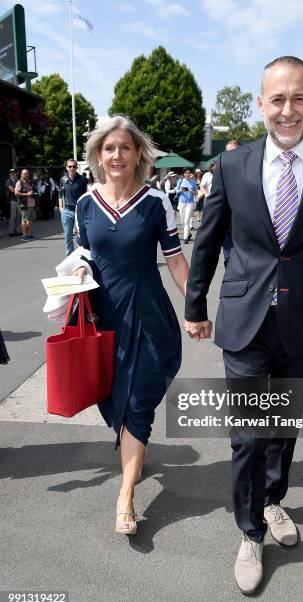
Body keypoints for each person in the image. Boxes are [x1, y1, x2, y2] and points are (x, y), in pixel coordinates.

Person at [184, 56, 303, 594]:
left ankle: (273, 501)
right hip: (244, 318)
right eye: (278, 99)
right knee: (248, 432)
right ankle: (250, 532)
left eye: (298, 99)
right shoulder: (231, 166)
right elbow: (207, 241)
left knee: (283, 426)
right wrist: (194, 305)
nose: (287, 110)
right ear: (261, 105)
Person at [72, 115, 189, 536]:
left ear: (138, 153)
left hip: (148, 312)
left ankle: (125, 497)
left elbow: (175, 258)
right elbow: (82, 254)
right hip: (103, 316)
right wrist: (78, 273)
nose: (117, 155)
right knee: (112, 398)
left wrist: (195, 306)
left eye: (125, 147)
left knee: (138, 401)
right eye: (108, 148)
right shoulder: (85, 204)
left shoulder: (157, 201)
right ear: (98, 156)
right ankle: (132, 451)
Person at [59, 159, 88, 255]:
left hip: (78, 211)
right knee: (68, 236)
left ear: (77, 167)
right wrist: (61, 209)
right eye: (70, 166)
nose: (72, 168)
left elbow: (86, 196)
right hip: (66, 210)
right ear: (66, 167)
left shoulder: (82, 180)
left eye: (74, 166)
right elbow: (60, 195)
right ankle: (70, 256)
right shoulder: (63, 179)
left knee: (81, 235)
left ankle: (81, 255)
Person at [223, 141, 241, 266]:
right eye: (228, 152)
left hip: (248, 226)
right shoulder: (221, 172)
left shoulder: (254, 170)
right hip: (227, 225)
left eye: (234, 151)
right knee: (229, 259)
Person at [176, 168, 198, 243]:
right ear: (183, 174)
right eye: (186, 173)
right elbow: (176, 191)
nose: (187, 174)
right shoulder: (180, 181)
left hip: (190, 202)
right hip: (181, 202)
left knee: (187, 220)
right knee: (182, 220)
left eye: (189, 173)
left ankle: (185, 238)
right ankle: (188, 234)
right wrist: (181, 190)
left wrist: (191, 191)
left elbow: (196, 192)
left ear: (190, 174)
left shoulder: (193, 182)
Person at [15, 168, 36, 241]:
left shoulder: (29, 182)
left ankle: (29, 235)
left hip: (31, 204)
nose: (26, 174)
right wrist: (27, 194)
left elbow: (31, 191)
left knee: (30, 220)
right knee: (24, 220)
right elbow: (16, 193)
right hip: (24, 205)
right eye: (25, 173)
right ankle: (24, 236)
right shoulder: (19, 182)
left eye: (27, 173)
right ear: (21, 174)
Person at [5, 169, 21, 237]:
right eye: (12, 173)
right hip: (12, 201)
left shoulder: (18, 181)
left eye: (14, 173)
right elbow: (12, 189)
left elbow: (22, 188)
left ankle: (17, 231)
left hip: (19, 200)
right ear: (10, 174)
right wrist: (19, 191)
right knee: (12, 217)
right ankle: (11, 232)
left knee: (18, 217)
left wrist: (19, 190)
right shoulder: (8, 181)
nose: (13, 174)